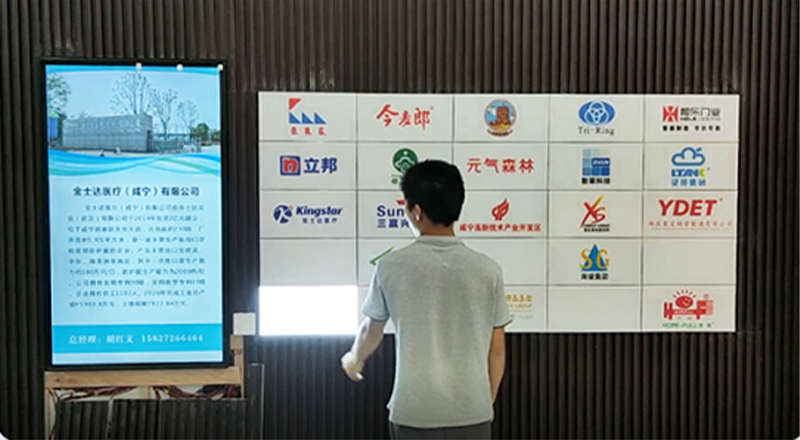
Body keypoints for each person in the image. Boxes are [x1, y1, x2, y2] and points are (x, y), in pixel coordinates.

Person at [341, 160, 512, 440]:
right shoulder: (488, 270)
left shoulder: (390, 266)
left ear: (417, 211)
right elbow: (497, 349)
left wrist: (354, 359)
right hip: (473, 413)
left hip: (413, 412)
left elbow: (371, 331)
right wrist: (485, 402)